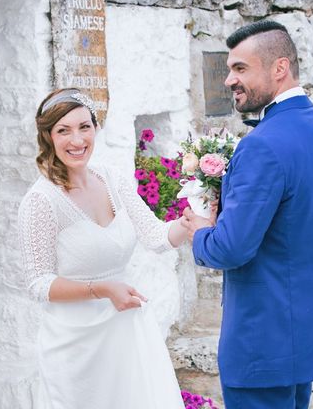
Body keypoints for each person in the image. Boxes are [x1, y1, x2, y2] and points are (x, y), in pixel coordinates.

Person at [182, 20, 313, 409]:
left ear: (279, 68)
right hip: (307, 335)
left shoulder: (261, 145)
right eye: (229, 69)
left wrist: (200, 233)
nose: (229, 80)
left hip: (261, 341)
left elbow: (230, 248)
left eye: (241, 68)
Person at [18, 88, 188, 409]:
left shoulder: (113, 179)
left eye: (84, 126)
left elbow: (154, 235)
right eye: (63, 130)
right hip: (75, 346)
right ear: (48, 137)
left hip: (126, 332)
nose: (77, 140)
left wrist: (189, 222)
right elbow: (39, 283)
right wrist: (102, 289)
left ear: (96, 128)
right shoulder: (41, 201)